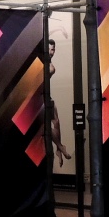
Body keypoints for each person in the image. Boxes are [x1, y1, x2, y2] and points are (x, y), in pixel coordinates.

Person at [47, 39, 72, 167]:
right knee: (46, 125)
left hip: (47, 95)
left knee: (57, 122)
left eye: (54, 49)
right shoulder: (42, 60)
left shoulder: (49, 61)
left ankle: (59, 150)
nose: (53, 52)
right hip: (40, 97)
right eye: (51, 49)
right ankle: (61, 147)